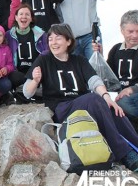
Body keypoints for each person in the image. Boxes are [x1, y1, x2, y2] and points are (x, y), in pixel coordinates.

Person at [23, 23, 138, 172]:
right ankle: (124, 153)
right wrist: (35, 81)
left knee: (113, 108)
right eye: (50, 39)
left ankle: (135, 149)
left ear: (68, 41)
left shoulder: (79, 60)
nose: (53, 42)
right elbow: (27, 92)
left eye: (58, 38)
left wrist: (107, 98)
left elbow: (95, 81)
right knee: (94, 99)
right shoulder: (44, 60)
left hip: (85, 105)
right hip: (62, 108)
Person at [94, 10, 138, 120]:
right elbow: (108, 76)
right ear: (122, 30)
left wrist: (131, 89)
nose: (135, 35)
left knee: (124, 102)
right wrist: (99, 54)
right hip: (117, 93)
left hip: (133, 95)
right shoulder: (115, 49)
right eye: (130, 31)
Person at [5, 3, 49, 93]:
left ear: (31, 18)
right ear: (16, 17)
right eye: (21, 14)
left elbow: (47, 52)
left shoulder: (41, 35)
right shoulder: (8, 35)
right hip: (17, 72)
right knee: (14, 77)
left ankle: (27, 89)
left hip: (35, 71)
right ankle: (30, 89)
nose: (24, 17)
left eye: (27, 14)